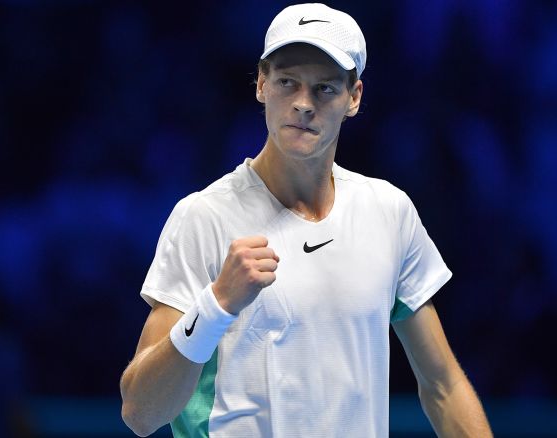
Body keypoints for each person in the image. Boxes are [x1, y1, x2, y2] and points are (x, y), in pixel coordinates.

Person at [120, 3, 492, 437]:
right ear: (261, 84)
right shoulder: (202, 217)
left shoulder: (389, 211)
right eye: (287, 83)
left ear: (354, 97)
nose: (302, 104)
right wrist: (217, 304)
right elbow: (140, 414)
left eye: (324, 90)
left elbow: (443, 385)